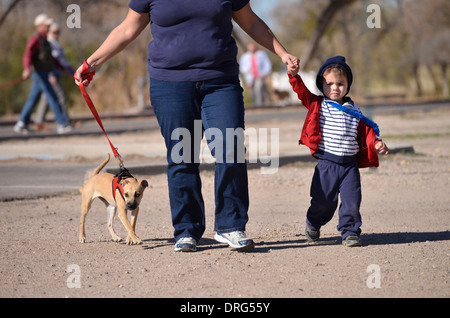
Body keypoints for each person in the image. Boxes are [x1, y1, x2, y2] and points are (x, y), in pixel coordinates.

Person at [74, 1, 299, 252]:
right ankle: (187, 229)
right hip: (170, 83)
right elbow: (128, 30)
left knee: (231, 148)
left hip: (220, 81)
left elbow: (252, 22)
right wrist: (91, 62)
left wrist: (282, 52)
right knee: (183, 155)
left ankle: (230, 226)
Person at [288, 56, 388, 247]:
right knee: (323, 202)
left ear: (348, 85)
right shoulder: (318, 104)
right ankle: (313, 223)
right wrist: (293, 75)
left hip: (350, 165)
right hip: (327, 164)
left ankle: (350, 232)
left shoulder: (354, 109)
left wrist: (376, 142)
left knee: (352, 201)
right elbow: (300, 91)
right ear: (321, 85)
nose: (335, 87)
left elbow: (365, 132)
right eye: (329, 83)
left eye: (340, 83)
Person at [14, 14, 72, 134]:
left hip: (43, 72)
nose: (49, 26)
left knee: (33, 99)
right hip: (38, 73)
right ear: (40, 26)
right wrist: (26, 68)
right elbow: (27, 54)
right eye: (47, 25)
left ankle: (21, 123)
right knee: (52, 96)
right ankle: (62, 124)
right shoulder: (35, 39)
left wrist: (63, 69)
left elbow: (51, 59)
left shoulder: (45, 40)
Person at [34, 23, 76, 131]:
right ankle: (63, 121)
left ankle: (39, 122)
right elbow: (49, 62)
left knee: (47, 98)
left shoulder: (55, 44)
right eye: (54, 32)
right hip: (50, 74)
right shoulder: (49, 44)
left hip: (55, 73)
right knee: (60, 96)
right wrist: (51, 74)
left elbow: (60, 61)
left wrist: (70, 70)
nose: (57, 34)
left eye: (58, 32)